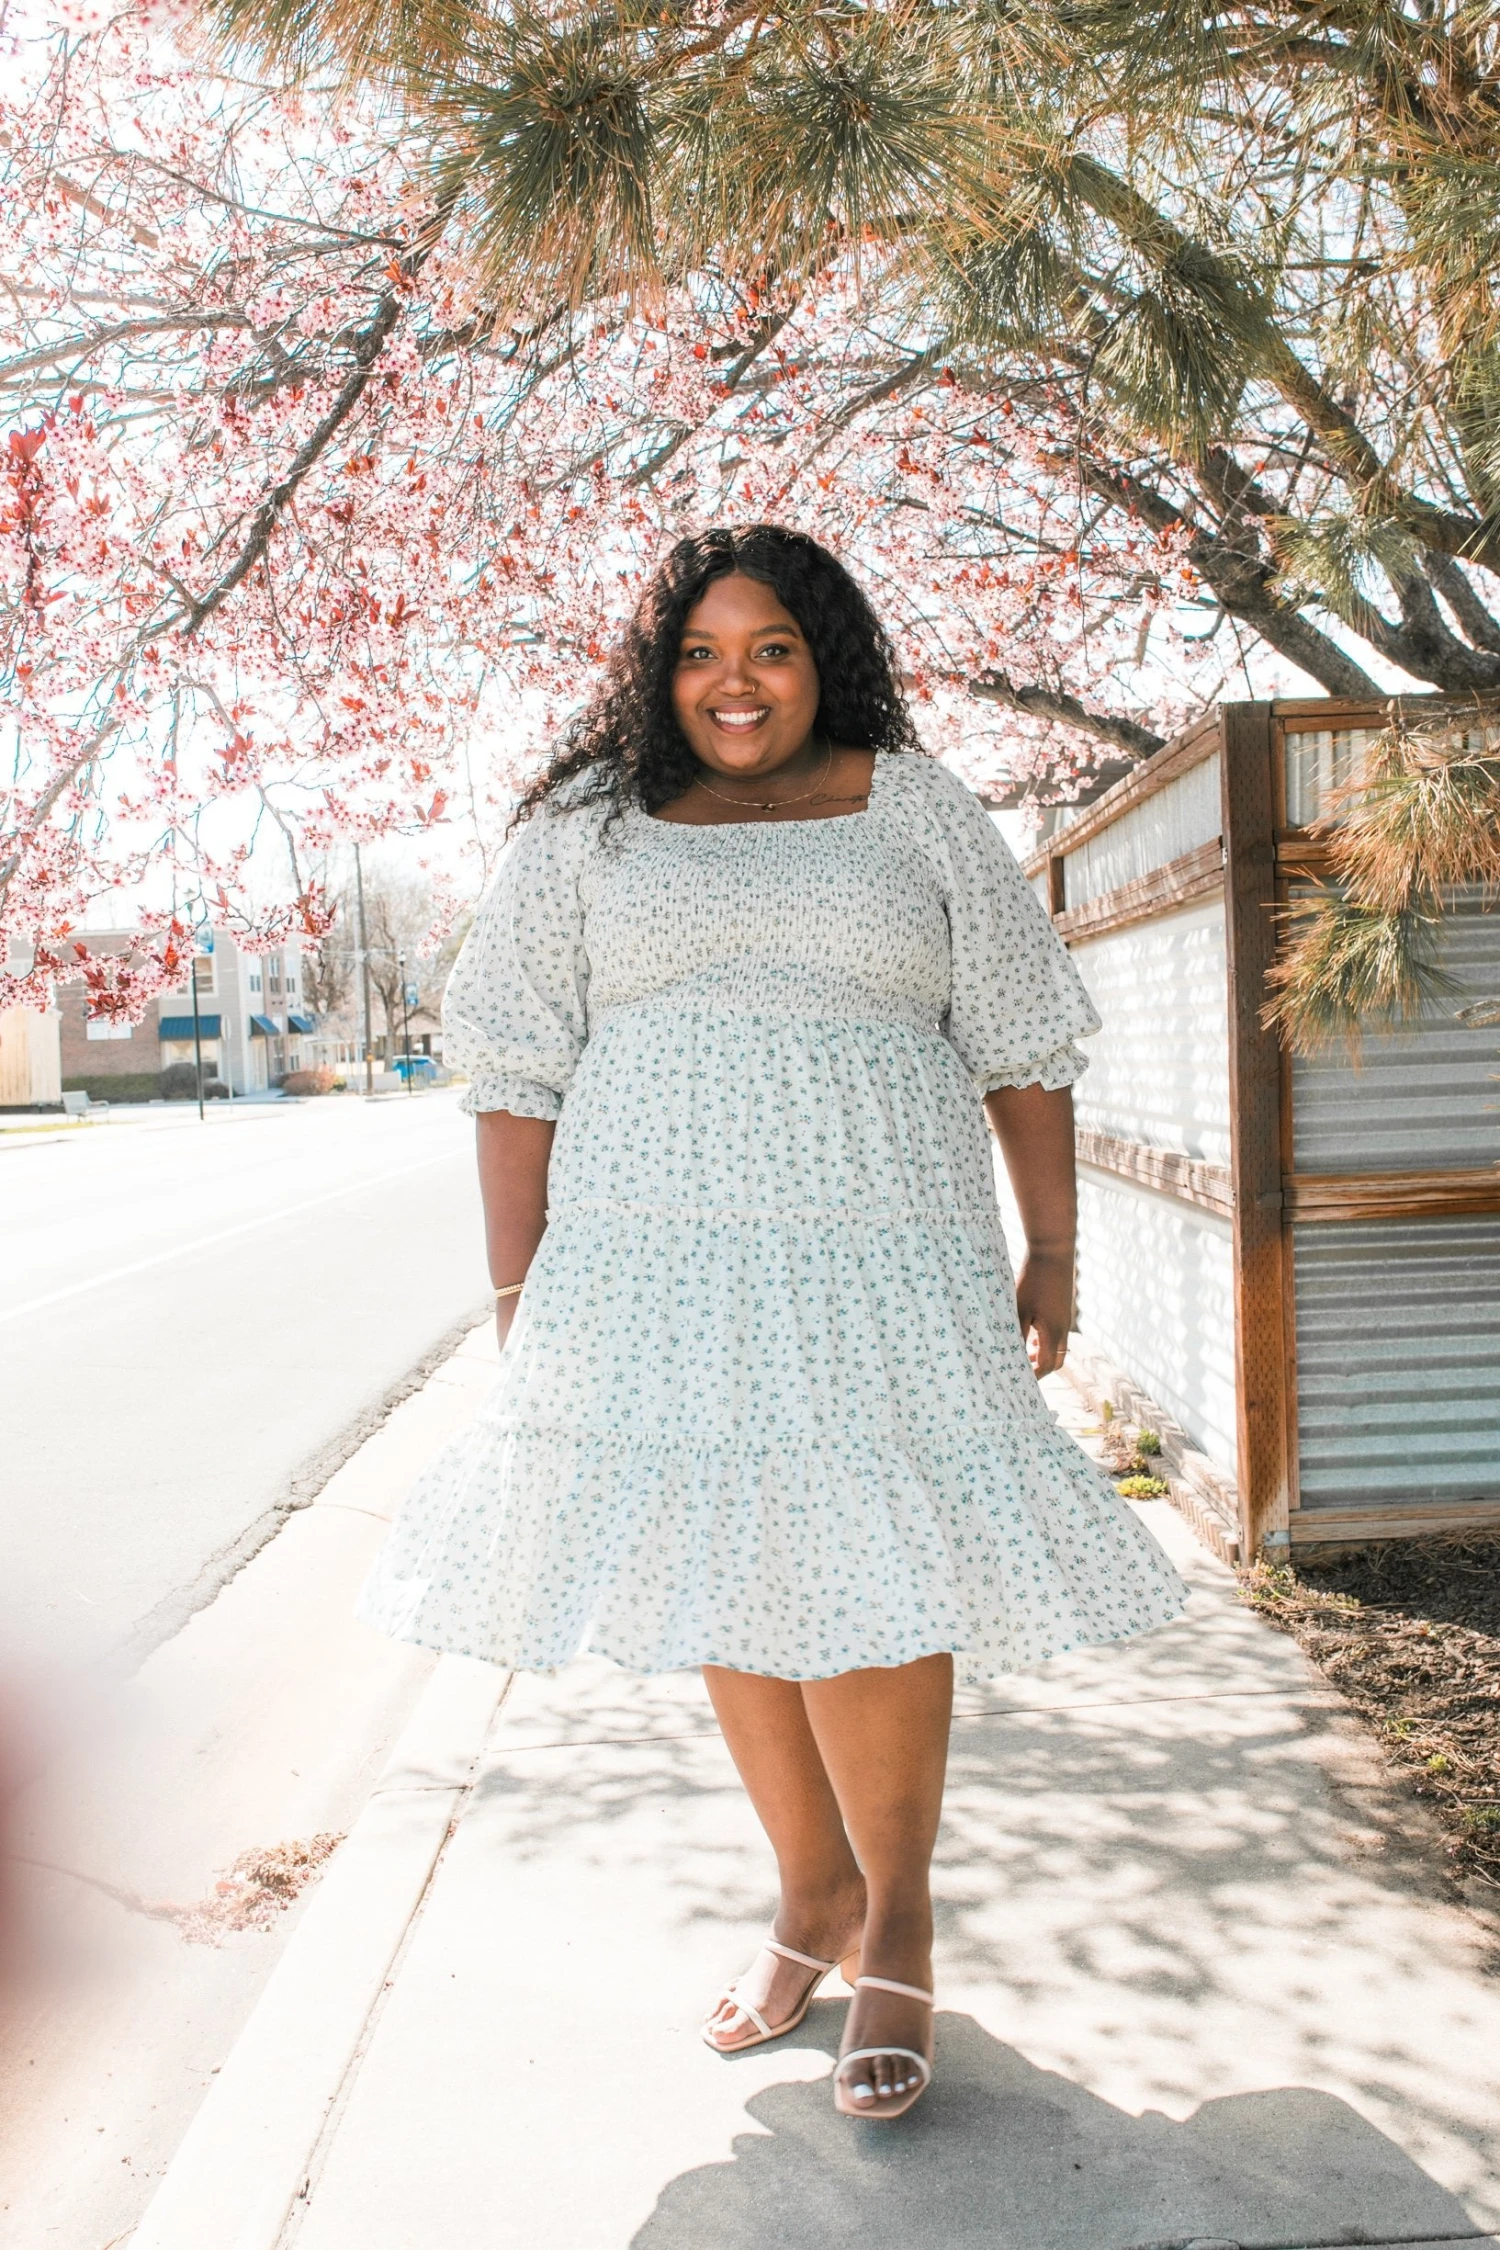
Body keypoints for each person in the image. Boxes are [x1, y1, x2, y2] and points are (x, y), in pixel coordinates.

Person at [359, 525, 1185, 2121]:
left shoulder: (918, 808)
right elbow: (518, 1072)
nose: (735, 683)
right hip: (654, 1266)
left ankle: (903, 1915)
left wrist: (1057, 1248)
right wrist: (518, 1287)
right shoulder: (584, 834)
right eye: (701, 653)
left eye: (774, 648)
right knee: (732, 1558)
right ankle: (811, 1894)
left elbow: (1021, 1038)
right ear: (658, 674)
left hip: (888, 1258)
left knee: (877, 1578)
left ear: (828, 658)